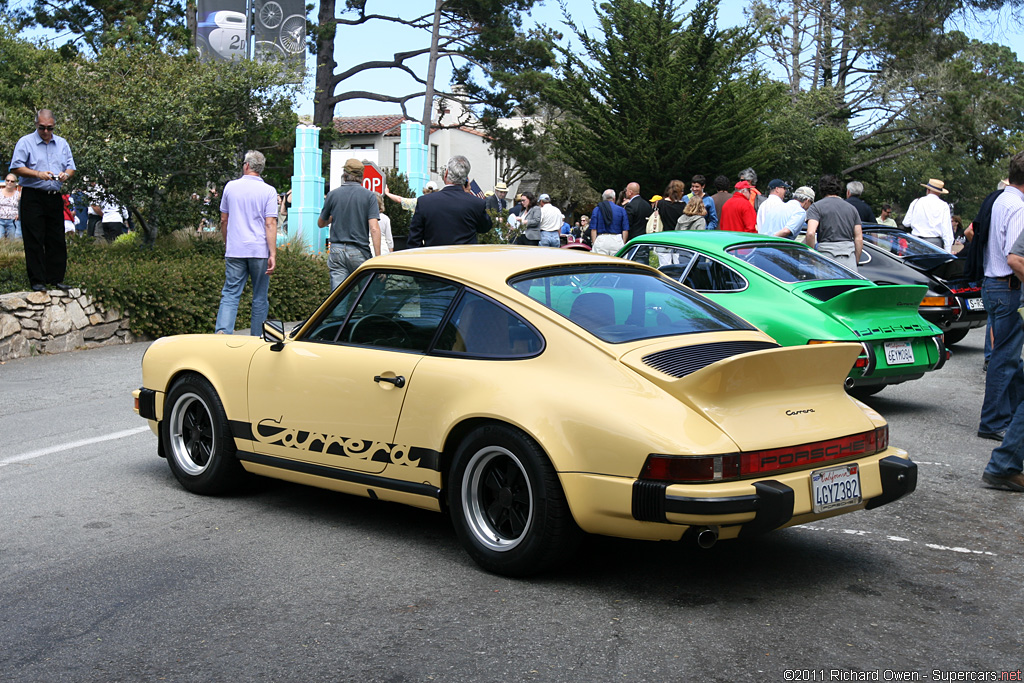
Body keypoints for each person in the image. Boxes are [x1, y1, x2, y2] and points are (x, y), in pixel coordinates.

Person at [977, 153, 1024, 442]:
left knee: (1003, 356)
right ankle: (994, 421)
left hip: (992, 283)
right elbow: (1015, 257)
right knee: (1006, 358)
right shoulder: (1018, 207)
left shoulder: (999, 199)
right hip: (1007, 287)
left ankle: (1005, 414)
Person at [9, 109, 76, 291]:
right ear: (36, 124)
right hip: (33, 195)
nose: (46, 132)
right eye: (42, 128)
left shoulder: (62, 143)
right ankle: (37, 280)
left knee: (56, 239)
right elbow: (16, 167)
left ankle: (56, 279)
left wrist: (65, 175)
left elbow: (71, 167)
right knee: (34, 239)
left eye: (49, 128)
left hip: (54, 197)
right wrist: (37, 174)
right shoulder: (25, 142)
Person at [214, 150, 278, 336]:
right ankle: (257, 337)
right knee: (259, 296)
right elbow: (270, 223)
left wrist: (228, 242)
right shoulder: (269, 191)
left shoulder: (230, 187)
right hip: (259, 250)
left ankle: (223, 333)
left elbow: (224, 220)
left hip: (235, 249)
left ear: (247, 165)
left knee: (231, 293)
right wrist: (272, 253)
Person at [319, 158, 380, 290]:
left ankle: (340, 311)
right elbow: (374, 228)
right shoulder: (369, 196)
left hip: (336, 249)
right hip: (359, 250)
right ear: (362, 176)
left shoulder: (332, 194)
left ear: (344, 174)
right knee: (367, 294)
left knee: (337, 297)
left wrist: (332, 217)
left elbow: (321, 223)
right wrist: (378, 257)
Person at [407, 155, 490, 248]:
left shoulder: (424, 202)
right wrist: (467, 195)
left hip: (432, 259)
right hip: (465, 260)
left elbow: (414, 241)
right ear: (466, 179)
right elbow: (485, 228)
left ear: (446, 174)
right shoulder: (476, 203)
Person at [805, 174, 863, 271]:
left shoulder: (816, 207)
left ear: (821, 189)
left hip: (826, 256)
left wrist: (812, 257)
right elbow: (859, 238)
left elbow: (810, 233)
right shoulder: (852, 209)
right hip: (849, 256)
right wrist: (855, 260)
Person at [903, 178, 954, 252]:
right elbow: (947, 231)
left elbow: (906, 223)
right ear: (939, 193)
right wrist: (948, 250)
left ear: (928, 190)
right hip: (934, 243)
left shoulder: (916, 202)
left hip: (915, 241)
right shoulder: (943, 205)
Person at [589, 188, 629, 255]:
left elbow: (593, 229)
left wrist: (594, 243)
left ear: (603, 198)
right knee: (617, 263)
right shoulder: (621, 210)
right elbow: (625, 229)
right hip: (616, 239)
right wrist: (623, 242)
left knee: (600, 263)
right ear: (614, 198)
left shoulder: (597, 209)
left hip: (601, 239)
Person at [0, 174, 21, 239]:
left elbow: (21, 207)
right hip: (0, 220)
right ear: (5, 181)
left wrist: (18, 214)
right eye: (8, 180)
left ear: (15, 183)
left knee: (12, 241)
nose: (9, 182)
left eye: (12, 181)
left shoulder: (18, 194)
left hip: (13, 221)